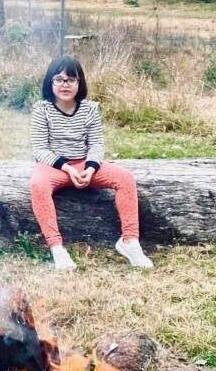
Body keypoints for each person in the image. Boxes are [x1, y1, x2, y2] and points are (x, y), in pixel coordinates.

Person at [28, 56, 153, 271]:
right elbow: (39, 148)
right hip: (54, 167)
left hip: (85, 165)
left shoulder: (90, 109)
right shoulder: (42, 110)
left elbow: (96, 144)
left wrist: (90, 168)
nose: (64, 85)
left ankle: (129, 241)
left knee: (125, 178)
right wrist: (66, 167)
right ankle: (57, 248)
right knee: (38, 185)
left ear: (80, 83)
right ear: (50, 82)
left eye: (71, 80)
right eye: (58, 79)